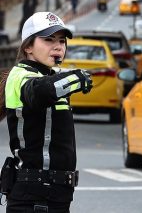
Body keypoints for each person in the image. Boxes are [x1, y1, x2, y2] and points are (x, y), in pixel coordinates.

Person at [0, 11, 93, 212]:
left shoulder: (51, 76)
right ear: (28, 46)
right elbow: (40, 91)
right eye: (49, 40)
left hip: (56, 196)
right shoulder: (20, 76)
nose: (58, 46)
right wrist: (76, 77)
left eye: (62, 40)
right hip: (33, 198)